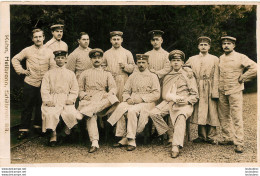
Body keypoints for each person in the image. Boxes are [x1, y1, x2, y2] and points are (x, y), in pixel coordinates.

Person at [149, 50, 199, 158]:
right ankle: (169, 134)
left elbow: (195, 95)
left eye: (178, 60)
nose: (176, 63)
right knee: (153, 113)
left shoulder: (188, 75)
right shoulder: (167, 76)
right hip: (169, 102)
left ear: (182, 63)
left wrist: (187, 100)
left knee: (181, 116)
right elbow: (164, 94)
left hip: (184, 103)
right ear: (170, 63)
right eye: (173, 60)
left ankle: (175, 145)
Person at [108, 54, 160, 151]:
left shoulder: (153, 76)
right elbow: (126, 91)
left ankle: (131, 140)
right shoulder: (132, 76)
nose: (141, 65)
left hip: (147, 102)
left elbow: (156, 94)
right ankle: (123, 136)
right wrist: (127, 99)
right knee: (121, 107)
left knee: (132, 111)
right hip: (133, 100)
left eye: (143, 63)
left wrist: (142, 99)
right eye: (139, 63)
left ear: (147, 64)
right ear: (136, 64)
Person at [12, 28, 56, 140]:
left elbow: (52, 67)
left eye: (40, 36)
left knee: (41, 106)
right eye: (35, 37)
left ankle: (38, 127)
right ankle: (24, 130)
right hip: (30, 82)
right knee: (27, 106)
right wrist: (22, 71)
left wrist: (50, 80)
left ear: (44, 38)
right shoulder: (27, 50)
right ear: (32, 39)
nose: (38, 39)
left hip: (44, 84)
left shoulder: (49, 51)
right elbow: (15, 59)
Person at [218, 36, 257, 153]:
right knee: (223, 115)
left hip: (235, 90)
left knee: (236, 117)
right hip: (222, 90)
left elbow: (255, 68)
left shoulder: (240, 57)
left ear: (234, 45)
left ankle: (239, 142)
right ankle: (227, 137)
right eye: (224, 43)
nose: (226, 45)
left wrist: (243, 77)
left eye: (229, 43)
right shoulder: (220, 58)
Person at [77, 48, 119, 153]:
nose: (97, 59)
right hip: (89, 99)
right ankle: (94, 142)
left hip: (102, 99)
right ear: (91, 60)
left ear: (102, 59)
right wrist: (83, 95)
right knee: (91, 115)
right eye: (94, 58)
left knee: (114, 98)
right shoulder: (85, 73)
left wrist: (110, 93)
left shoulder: (107, 74)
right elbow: (79, 89)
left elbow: (114, 88)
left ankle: (86, 112)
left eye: (99, 57)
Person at [41, 50, 80, 147]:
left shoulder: (70, 73)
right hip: (53, 98)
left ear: (66, 59)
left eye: (62, 58)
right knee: (51, 113)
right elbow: (44, 88)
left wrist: (71, 99)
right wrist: (47, 100)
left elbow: (75, 88)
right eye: (58, 58)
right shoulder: (49, 73)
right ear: (54, 59)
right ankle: (53, 135)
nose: (60, 60)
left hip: (66, 98)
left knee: (71, 113)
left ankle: (65, 132)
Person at [185, 36, 220, 144]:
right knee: (200, 110)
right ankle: (201, 135)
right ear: (198, 46)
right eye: (201, 45)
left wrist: (215, 90)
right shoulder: (192, 58)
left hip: (210, 86)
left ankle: (211, 136)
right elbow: (184, 67)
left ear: (209, 46)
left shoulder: (215, 59)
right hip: (198, 86)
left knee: (212, 110)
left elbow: (217, 75)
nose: (203, 47)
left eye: (205, 45)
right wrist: (188, 70)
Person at [103, 31, 135, 102]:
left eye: (118, 39)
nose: (116, 41)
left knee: (122, 100)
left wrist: (125, 66)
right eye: (114, 39)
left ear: (122, 40)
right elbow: (102, 66)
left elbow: (133, 67)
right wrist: (107, 69)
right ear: (111, 40)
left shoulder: (127, 53)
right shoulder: (106, 53)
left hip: (123, 79)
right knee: (110, 100)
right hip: (110, 79)